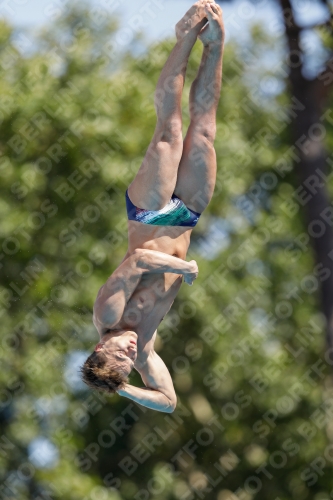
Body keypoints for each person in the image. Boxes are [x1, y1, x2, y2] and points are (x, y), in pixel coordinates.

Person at [80, 0, 225, 412]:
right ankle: (214, 43)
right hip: (183, 221)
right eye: (129, 359)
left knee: (171, 129)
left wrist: (186, 269)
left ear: (99, 344)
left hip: (151, 213)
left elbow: (142, 259)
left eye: (119, 352)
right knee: (204, 133)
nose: (129, 348)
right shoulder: (142, 352)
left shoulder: (108, 313)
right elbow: (168, 402)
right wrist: (120, 385)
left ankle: (186, 36)